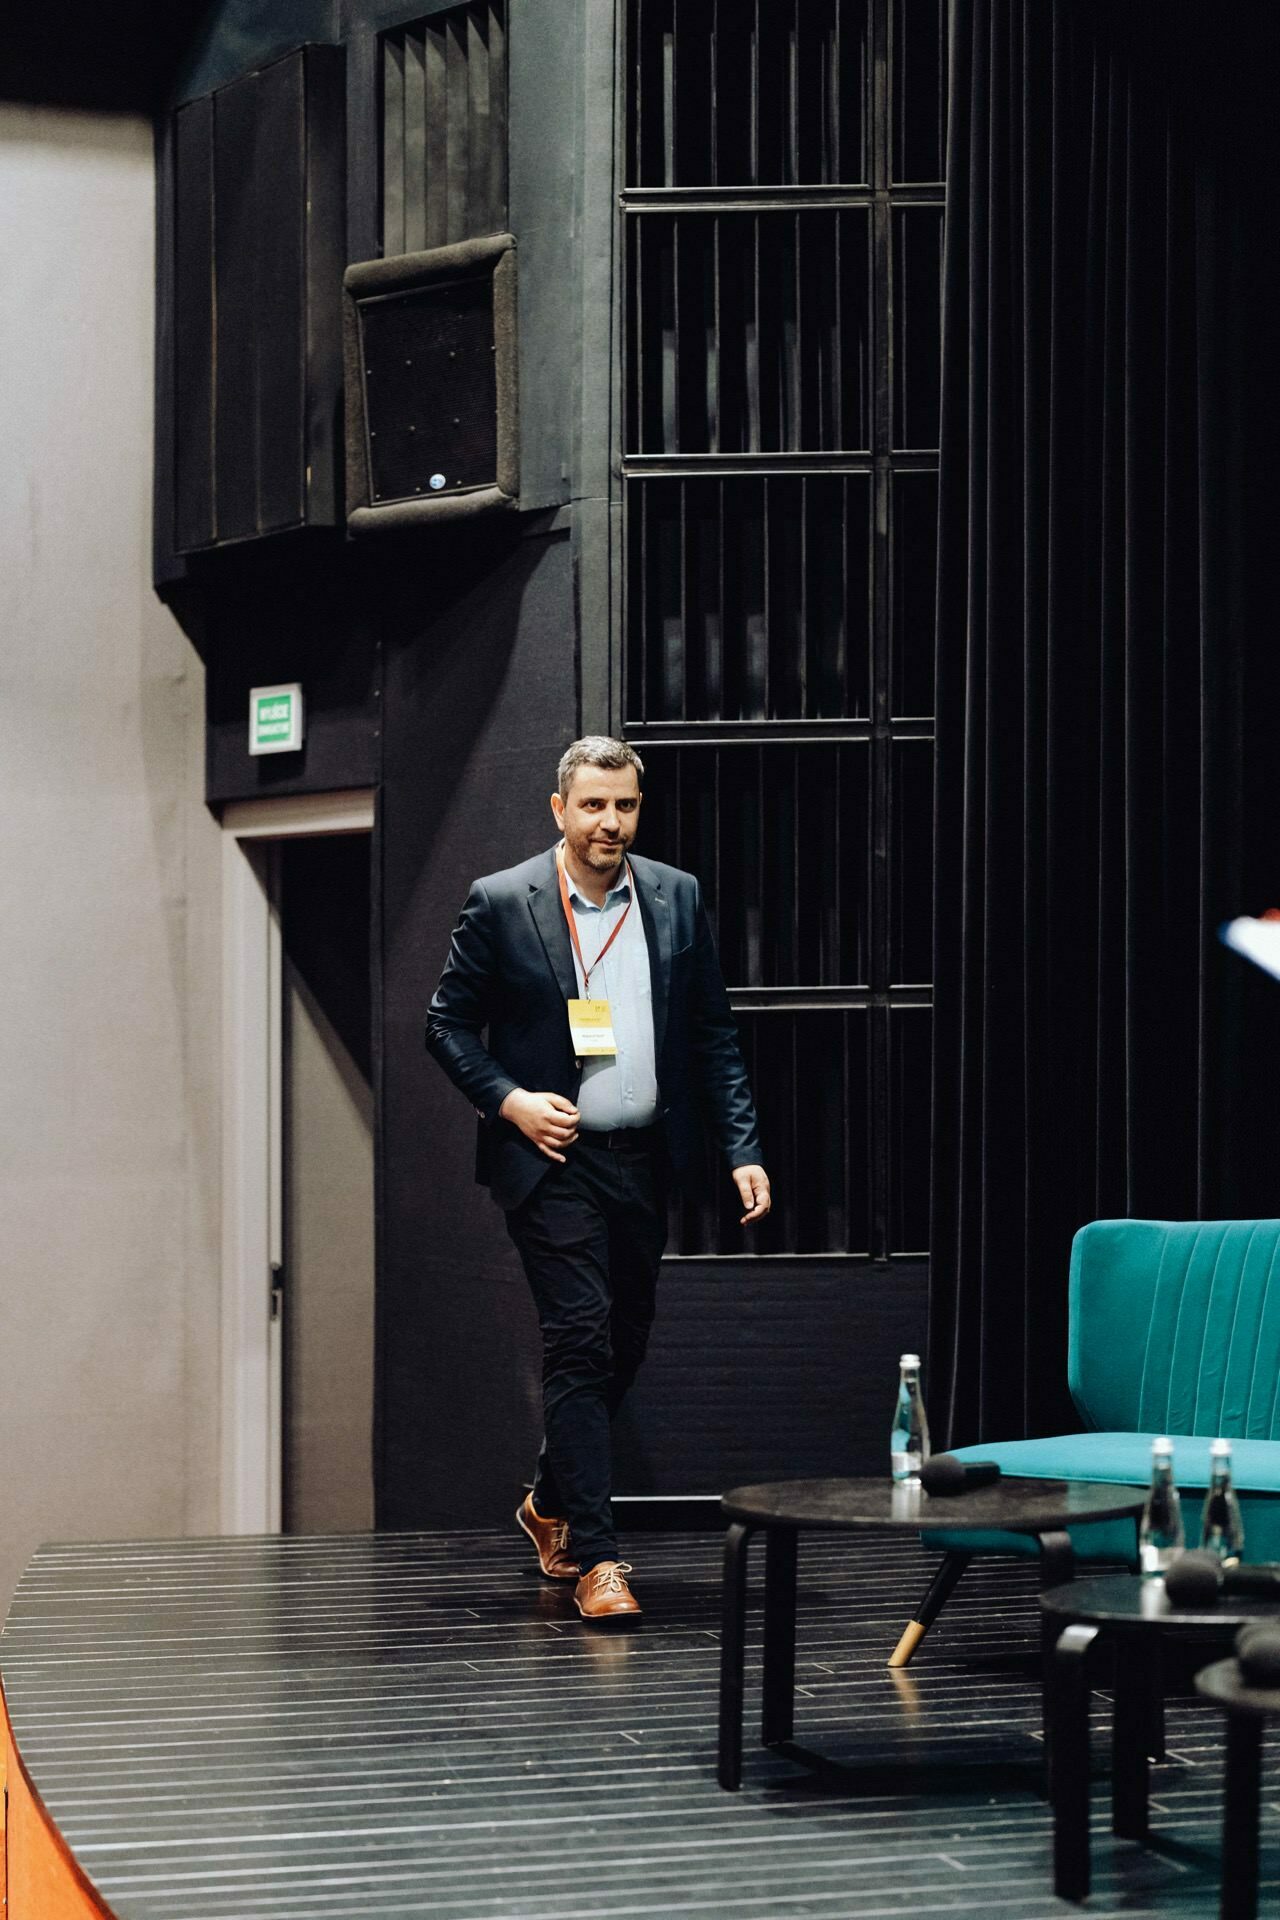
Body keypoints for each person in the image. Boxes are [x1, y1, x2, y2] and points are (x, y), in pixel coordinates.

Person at [425, 736, 770, 1620]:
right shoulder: (503, 902)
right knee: (578, 1337)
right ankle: (598, 1558)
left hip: (645, 1160)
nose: (608, 822)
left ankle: (549, 1501)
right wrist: (510, 1103)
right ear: (559, 810)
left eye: (623, 806)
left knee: (624, 1340)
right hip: (552, 1162)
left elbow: (714, 1037)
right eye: (592, 806)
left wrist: (743, 1147)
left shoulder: (676, 896)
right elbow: (446, 1027)